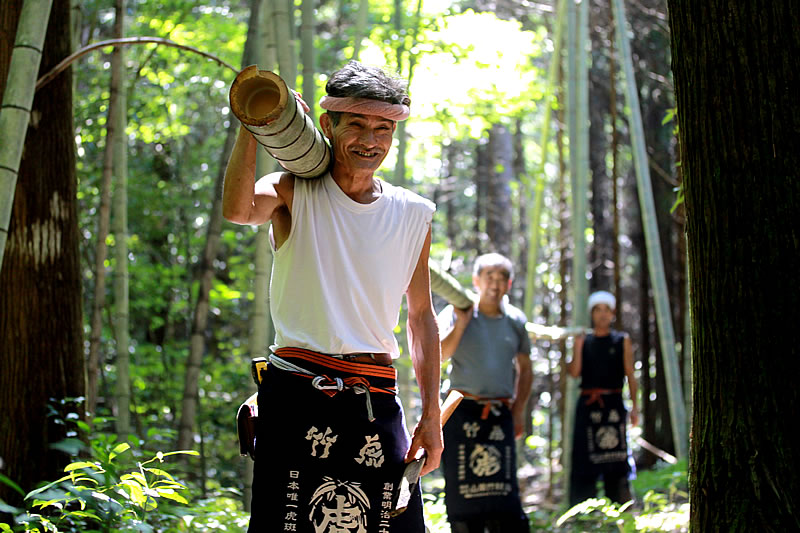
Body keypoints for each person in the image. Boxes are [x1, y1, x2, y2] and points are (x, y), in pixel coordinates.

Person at [223, 60, 442, 532]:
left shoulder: (412, 214)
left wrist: (432, 414)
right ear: (327, 124)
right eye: (358, 124)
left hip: (374, 396)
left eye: (384, 128)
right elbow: (239, 210)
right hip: (296, 394)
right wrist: (252, 126)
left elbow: (421, 317)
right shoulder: (291, 189)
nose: (371, 140)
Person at [437, 253, 532, 533]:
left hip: (500, 411)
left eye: (502, 277)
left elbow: (525, 369)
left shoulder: (515, 320)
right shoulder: (456, 311)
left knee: (503, 490)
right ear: (477, 281)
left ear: (509, 283)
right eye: (489, 276)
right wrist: (462, 323)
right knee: (461, 490)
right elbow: (440, 354)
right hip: (460, 410)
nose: (495, 283)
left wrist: (518, 411)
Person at [566, 290, 638, 506]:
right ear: (592, 313)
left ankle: (620, 505)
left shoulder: (621, 340)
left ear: (613, 313)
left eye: (607, 310)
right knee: (583, 457)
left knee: (615, 458)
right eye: (598, 310)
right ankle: (582, 509)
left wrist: (635, 408)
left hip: (613, 407)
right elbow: (574, 372)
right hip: (588, 407)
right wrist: (577, 347)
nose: (602, 314)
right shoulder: (584, 340)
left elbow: (630, 374)